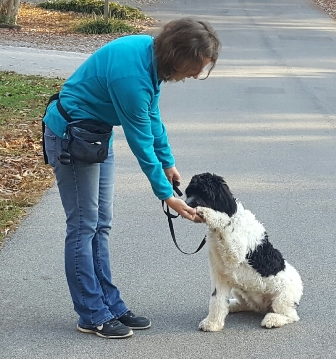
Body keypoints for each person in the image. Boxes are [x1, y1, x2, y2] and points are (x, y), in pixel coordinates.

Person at [43, 17, 221, 339]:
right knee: (84, 225)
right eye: (196, 66)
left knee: (101, 224)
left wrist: (167, 161)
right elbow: (140, 141)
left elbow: (152, 114)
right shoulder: (132, 77)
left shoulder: (150, 56)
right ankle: (92, 313)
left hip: (96, 135)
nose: (196, 74)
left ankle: (110, 304)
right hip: (72, 138)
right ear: (178, 54)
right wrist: (167, 195)